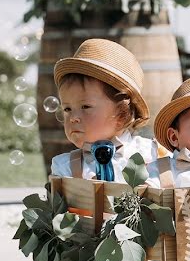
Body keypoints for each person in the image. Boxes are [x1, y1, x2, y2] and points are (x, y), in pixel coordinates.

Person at [50, 38, 167, 182]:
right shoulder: (65, 167)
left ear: (122, 114)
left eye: (85, 106)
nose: (73, 117)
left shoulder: (153, 154)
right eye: (67, 109)